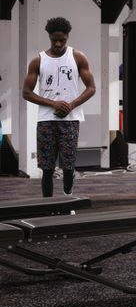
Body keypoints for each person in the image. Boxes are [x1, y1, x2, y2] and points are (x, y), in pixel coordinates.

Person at [24, 16, 94, 198]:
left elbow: (91, 88)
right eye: (54, 40)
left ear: (67, 37)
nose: (57, 43)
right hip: (46, 119)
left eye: (61, 40)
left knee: (68, 165)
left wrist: (70, 106)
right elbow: (26, 92)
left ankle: (67, 202)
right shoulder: (38, 60)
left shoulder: (78, 57)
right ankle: (48, 205)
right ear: (49, 37)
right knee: (46, 167)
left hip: (70, 120)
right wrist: (53, 103)